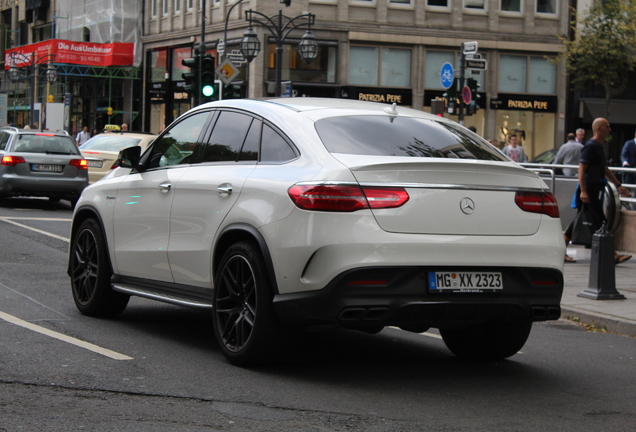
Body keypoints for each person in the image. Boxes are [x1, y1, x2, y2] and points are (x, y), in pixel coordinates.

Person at [563, 118, 631, 264]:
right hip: (589, 190)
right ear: (599, 129)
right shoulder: (590, 146)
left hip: (593, 189)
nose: (610, 129)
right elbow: (582, 168)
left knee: (578, 220)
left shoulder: (598, 147)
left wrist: (618, 185)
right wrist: (583, 191)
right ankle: (611, 254)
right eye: (607, 127)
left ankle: (560, 251)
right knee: (600, 221)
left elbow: (604, 169)